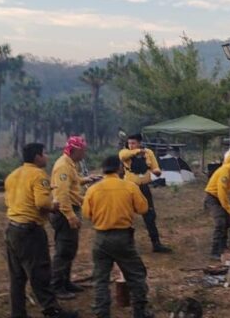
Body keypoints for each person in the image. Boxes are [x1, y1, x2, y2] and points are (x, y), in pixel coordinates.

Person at [4, 142, 79, 318]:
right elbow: (41, 203)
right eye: (44, 154)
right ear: (37, 156)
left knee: (17, 276)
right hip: (30, 231)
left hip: (12, 228)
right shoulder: (39, 175)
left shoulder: (13, 175)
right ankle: (52, 311)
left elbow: (9, 201)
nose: (46, 157)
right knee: (40, 272)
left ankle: (18, 313)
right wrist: (54, 206)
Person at [82, 155, 154, 318]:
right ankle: (140, 312)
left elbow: (87, 214)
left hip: (100, 239)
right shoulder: (129, 187)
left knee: (101, 279)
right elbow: (143, 208)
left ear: (103, 170)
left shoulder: (93, 189)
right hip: (123, 238)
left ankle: (102, 312)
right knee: (136, 275)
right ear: (119, 168)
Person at [50, 135, 97, 299]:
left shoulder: (70, 164)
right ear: (74, 150)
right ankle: (56, 286)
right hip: (64, 212)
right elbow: (62, 194)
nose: (84, 154)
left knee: (70, 248)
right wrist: (70, 216)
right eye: (82, 151)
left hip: (70, 208)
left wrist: (87, 180)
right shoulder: (63, 166)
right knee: (63, 250)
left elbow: (74, 181)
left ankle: (65, 281)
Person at [119, 133, 172, 252]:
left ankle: (156, 244)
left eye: (133, 143)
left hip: (144, 188)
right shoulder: (124, 152)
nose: (131, 145)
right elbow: (123, 157)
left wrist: (157, 172)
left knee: (150, 215)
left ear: (139, 143)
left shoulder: (148, 152)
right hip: (128, 189)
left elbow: (155, 167)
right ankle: (128, 245)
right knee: (126, 215)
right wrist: (137, 152)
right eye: (129, 143)